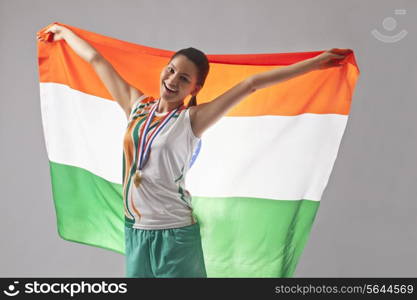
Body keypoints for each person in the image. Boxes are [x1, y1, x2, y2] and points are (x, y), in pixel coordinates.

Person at [37, 23, 351, 278]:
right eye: (171, 70)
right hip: (135, 232)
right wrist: (64, 34)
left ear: (195, 89)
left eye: (184, 78)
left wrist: (316, 63)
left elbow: (251, 84)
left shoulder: (192, 120)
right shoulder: (136, 106)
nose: (172, 80)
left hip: (175, 235)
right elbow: (96, 61)